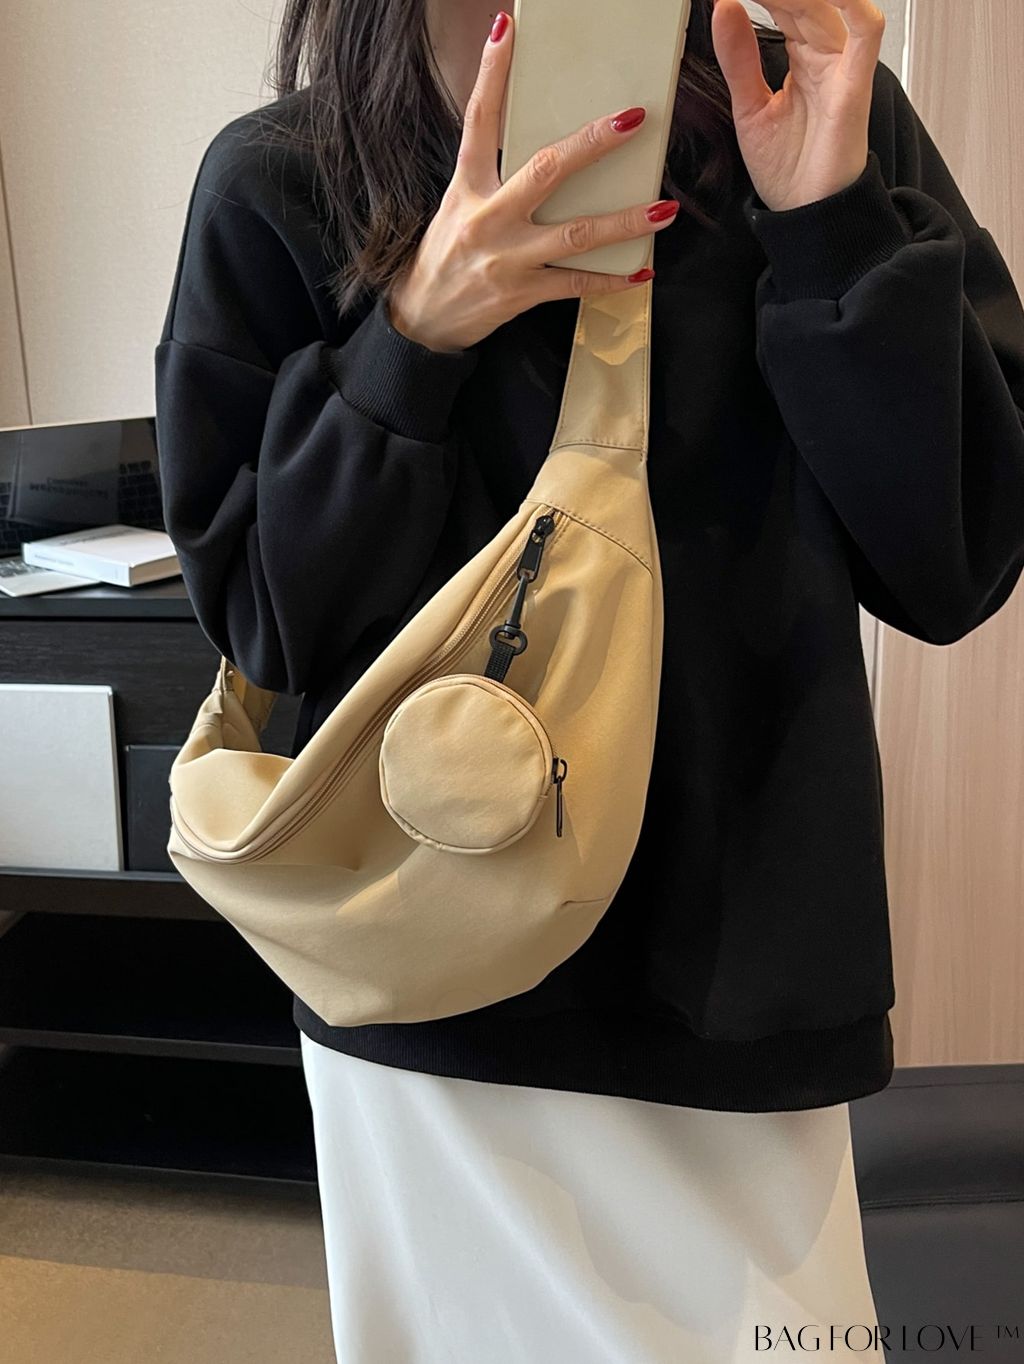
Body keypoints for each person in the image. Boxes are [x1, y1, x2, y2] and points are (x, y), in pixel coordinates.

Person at [154, 0, 1024, 1359]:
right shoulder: (286, 179)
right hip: (430, 975)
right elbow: (271, 626)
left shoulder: (805, 115)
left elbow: (952, 564)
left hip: (735, 989)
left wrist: (832, 227)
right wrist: (411, 339)